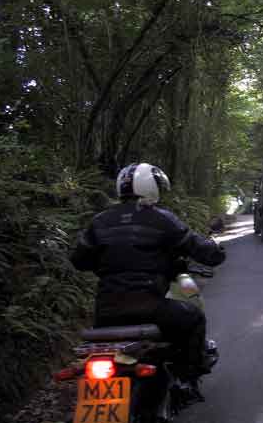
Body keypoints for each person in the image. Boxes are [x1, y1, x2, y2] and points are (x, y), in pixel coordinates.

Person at [70, 162, 225, 387]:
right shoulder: (161, 219)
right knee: (194, 317)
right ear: (151, 186)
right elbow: (199, 248)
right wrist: (216, 251)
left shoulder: (99, 221)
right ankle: (189, 373)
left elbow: (79, 260)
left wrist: (107, 266)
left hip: (106, 313)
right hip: (149, 308)